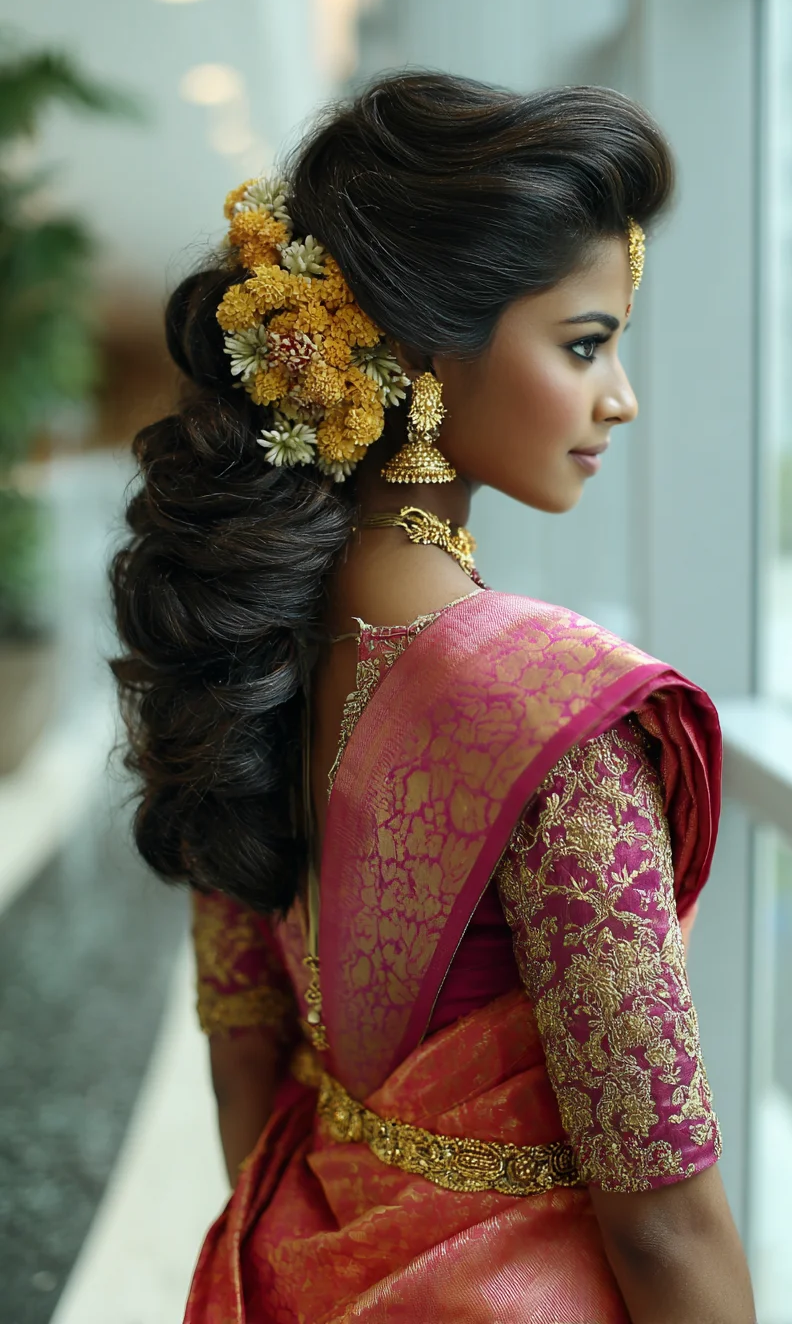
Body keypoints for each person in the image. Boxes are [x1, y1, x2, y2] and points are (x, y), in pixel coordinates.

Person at [109, 70, 756, 1324]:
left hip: (292, 1263)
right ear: (412, 350)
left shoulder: (242, 640)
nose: (619, 397)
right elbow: (665, 1219)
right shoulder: (555, 716)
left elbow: (245, 1058)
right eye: (583, 345)